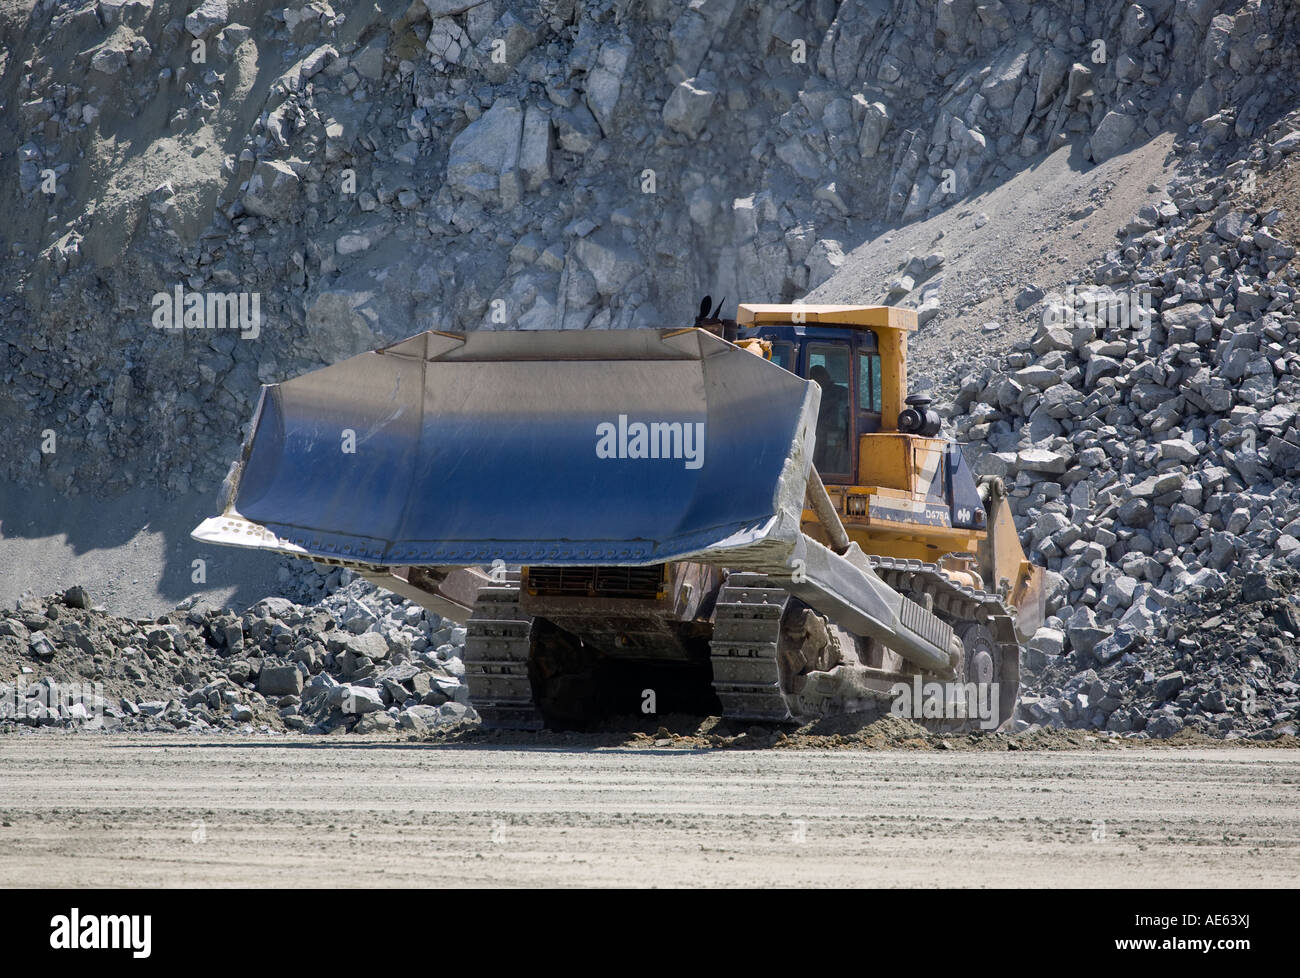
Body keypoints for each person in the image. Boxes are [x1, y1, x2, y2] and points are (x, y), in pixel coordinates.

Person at [809, 365, 850, 473]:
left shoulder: (841, 393)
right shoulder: (810, 394)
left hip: (836, 436)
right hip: (817, 435)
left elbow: (845, 418)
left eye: (817, 377)